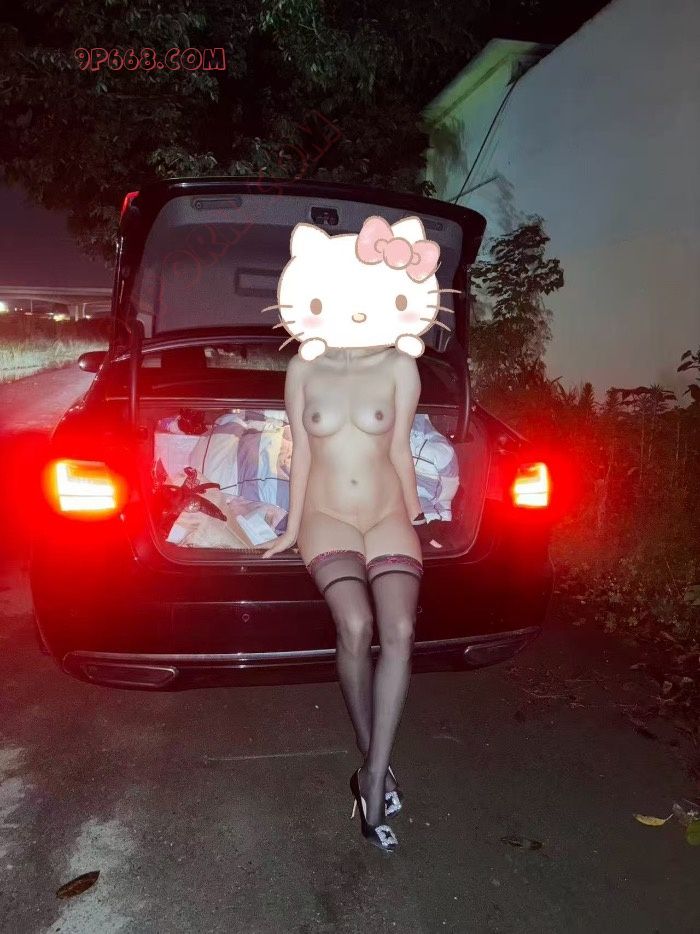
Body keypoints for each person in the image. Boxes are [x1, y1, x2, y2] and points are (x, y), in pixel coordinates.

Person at [261, 214, 445, 851]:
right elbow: (301, 456)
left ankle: (372, 774)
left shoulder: (399, 366)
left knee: (401, 632)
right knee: (357, 624)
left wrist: (419, 513)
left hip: (387, 513)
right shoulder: (302, 368)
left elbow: (398, 451)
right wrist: (290, 526)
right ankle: (373, 759)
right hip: (327, 516)